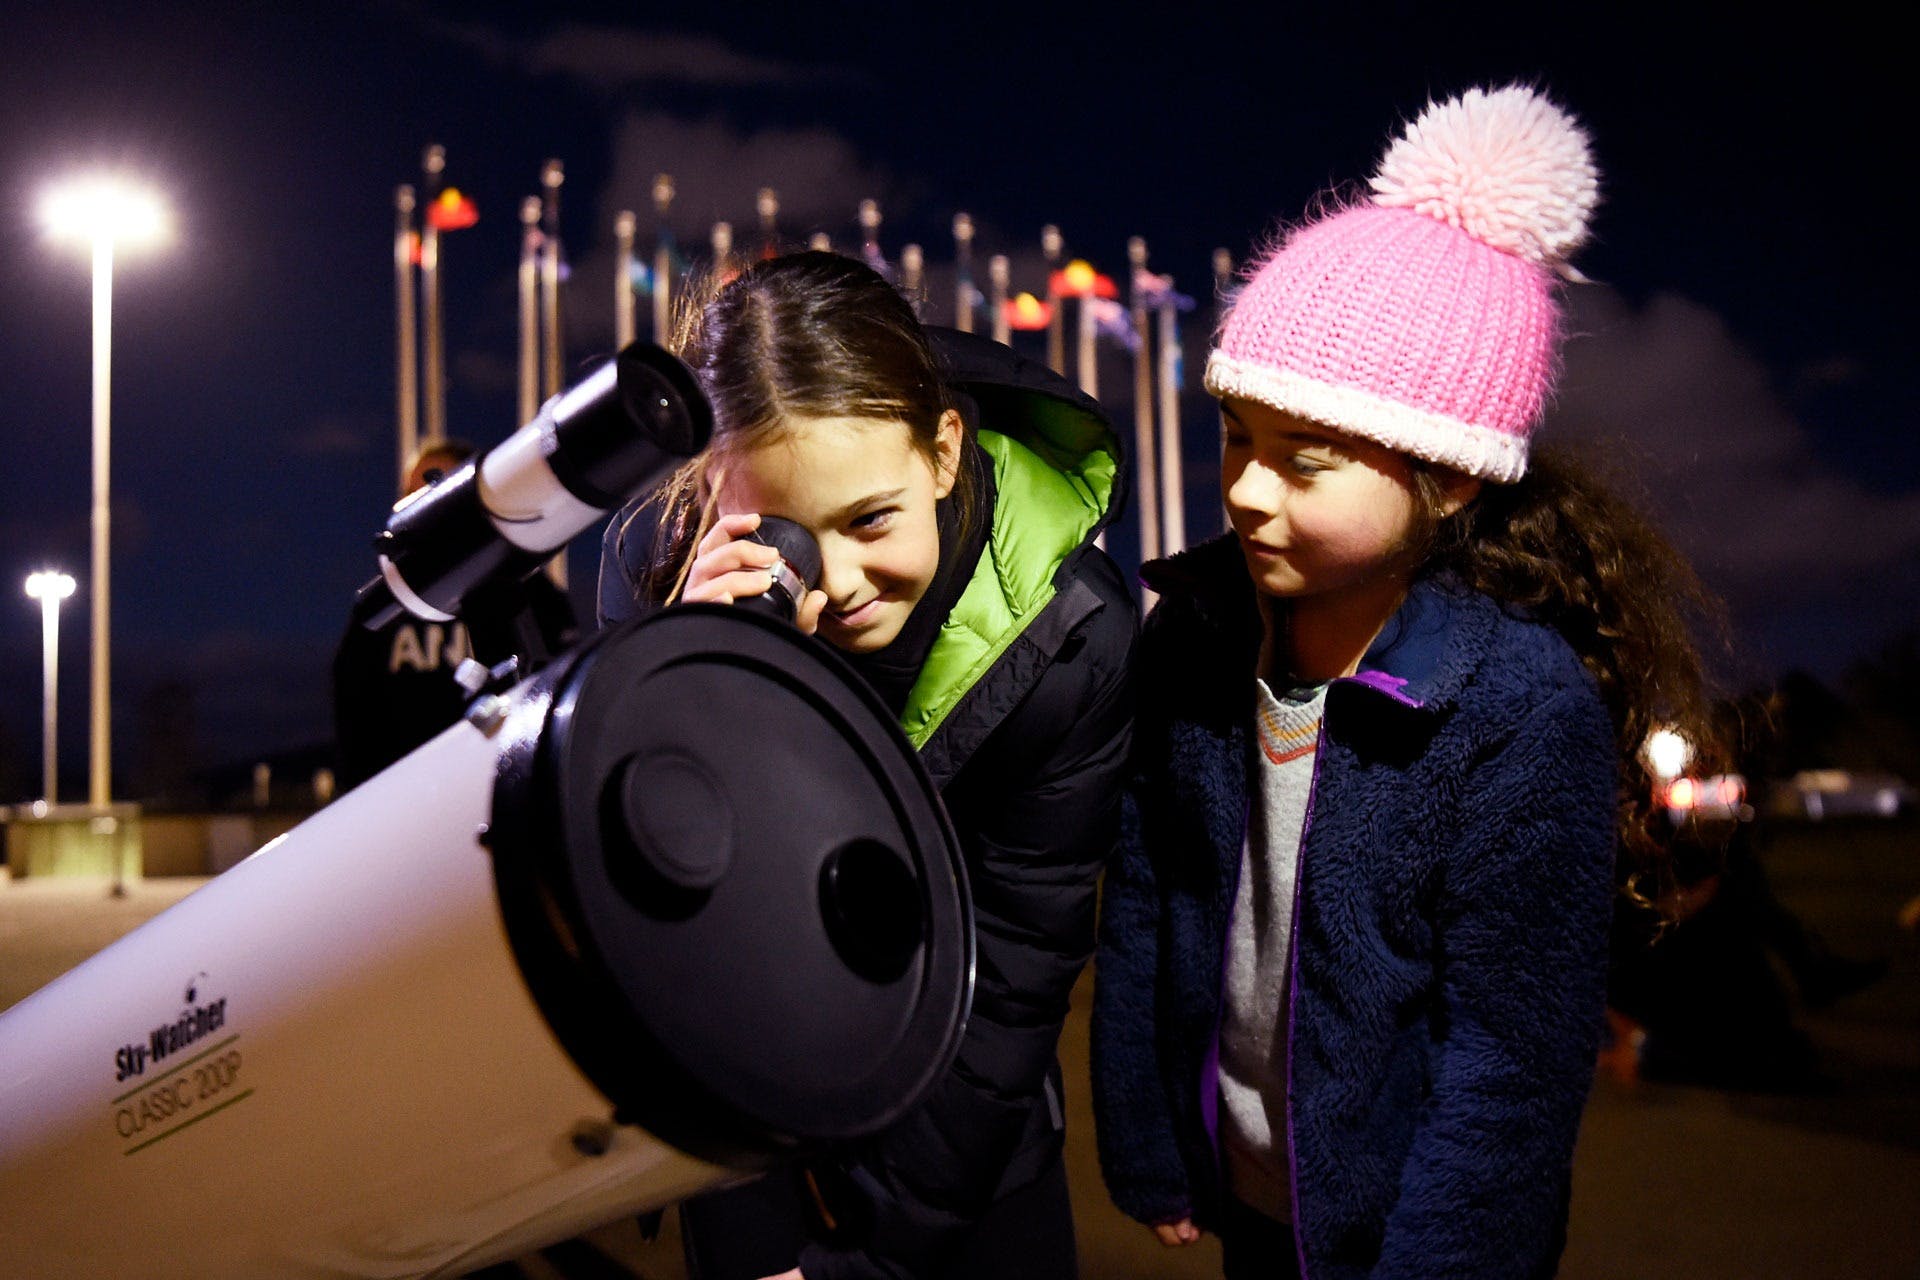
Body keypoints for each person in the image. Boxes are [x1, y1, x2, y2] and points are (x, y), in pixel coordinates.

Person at [1090, 85, 1722, 1279]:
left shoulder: (1519, 712)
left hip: (1413, 1236)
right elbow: (1153, 899)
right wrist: (1147, 1136)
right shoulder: (1192, 641)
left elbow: (1509, 1060)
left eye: (1307, 459)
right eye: (1236, 434)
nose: (1246, 491)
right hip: (1247, 1200)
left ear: (1450, 481)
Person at [597, 251, 1135, 1280]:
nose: (840, 584)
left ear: (942, 451)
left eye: (872, 518)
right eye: (792, 532)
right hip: (746, 1121)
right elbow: (644, 908)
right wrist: (683, 680)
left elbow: (1017, 971)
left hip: (968, 1150)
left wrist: (875, 1261)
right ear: (716, 489)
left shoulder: (1075, 632)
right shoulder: (663, 581)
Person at [332, 440, 577, 791]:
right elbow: (354, 714)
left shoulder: (530, 590)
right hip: (409, 800)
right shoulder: (386, 607)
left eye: (435, 486)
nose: (422, 503)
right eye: (411, 495)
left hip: (506, 785)